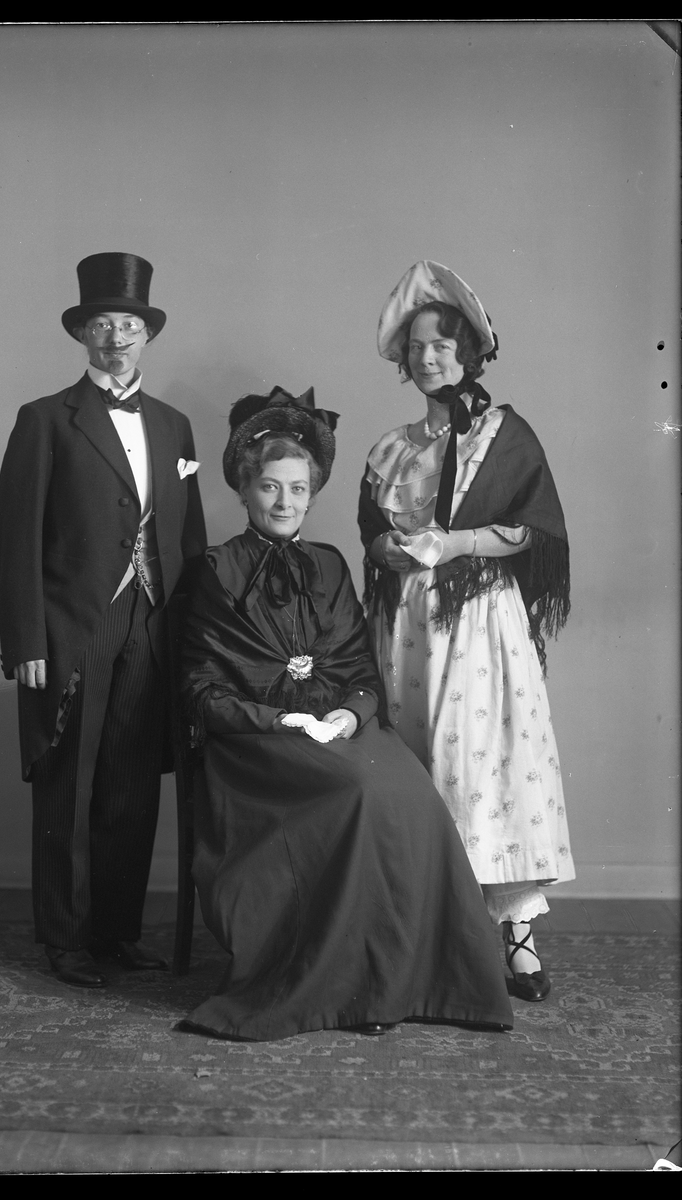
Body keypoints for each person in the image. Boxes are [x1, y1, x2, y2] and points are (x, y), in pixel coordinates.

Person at [179, 386, 514, 1042]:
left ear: (312, 494)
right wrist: (281, 721)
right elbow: (202, 688)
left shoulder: (329, 565)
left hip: (334, 729)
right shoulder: (216, 570)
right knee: (359, 791)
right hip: (256, 744)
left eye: (298, 489)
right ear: (245, 491)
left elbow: (361, 673)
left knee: (412, 791)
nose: (285, 503)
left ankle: (413, 980)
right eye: (270, 488)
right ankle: (351, 989)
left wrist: (350, 718)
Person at [359, 260, 572, 1003]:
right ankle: (425, 930)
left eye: (442, 345)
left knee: (487, 767)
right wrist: (386, 549)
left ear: (469, 352)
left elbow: (534, 531)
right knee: (417, 765)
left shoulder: (504, 436)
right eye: (416, 346)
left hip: (479, 624)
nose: (428, 358)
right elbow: (373, 536)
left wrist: (455, 543)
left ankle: (516, 938)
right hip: (407, 628)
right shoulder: (391, 449)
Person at [0, 253, 207, 987]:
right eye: (102, 325)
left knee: (131, 785)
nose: (116, 338)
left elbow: (190, 541)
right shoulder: (45, 419)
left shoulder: (175, 427)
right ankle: (66, 938)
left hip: (153, 622)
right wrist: (26, 639)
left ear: (148, 335)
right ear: (82, 334)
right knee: (69, 785)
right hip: (75, 626)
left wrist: (192, 639)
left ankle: (117, 931)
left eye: (129, 326)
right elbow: (15, 540)